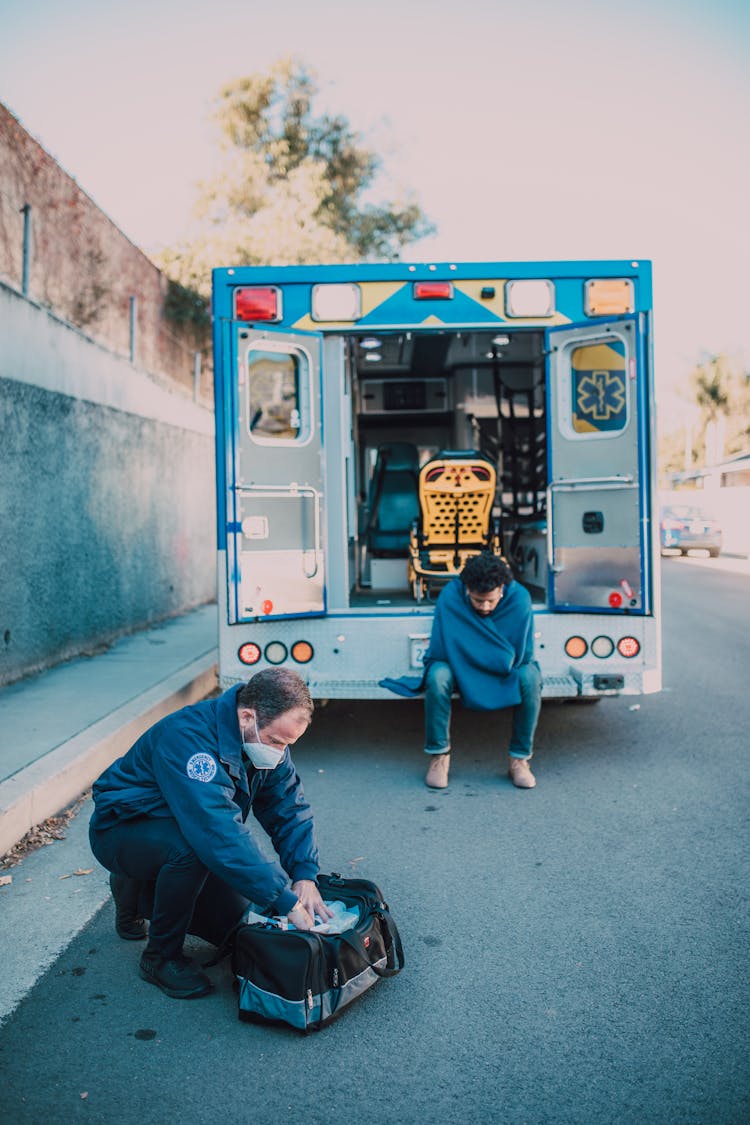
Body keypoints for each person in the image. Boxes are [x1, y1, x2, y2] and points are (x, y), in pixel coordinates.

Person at [89, 667, 332, 1000]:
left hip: (171, 825)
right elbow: (216, 833)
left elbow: (288, 809)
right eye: (277, 741)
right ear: (247, 716)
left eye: (288, 744)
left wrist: (304, 875)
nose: (279, 752)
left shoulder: (265, 739)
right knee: (192, 851)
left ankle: (132, 892)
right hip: (119, 831)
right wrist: (284, 900)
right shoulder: (188, 739)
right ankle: (160, 958)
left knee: (231, 922)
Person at [409, 552, 542, 790]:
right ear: (467, 589)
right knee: (438, 675)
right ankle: (439, 757)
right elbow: (443, 648)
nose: (485, 607)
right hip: (459, 663)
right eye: (478, 600)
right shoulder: (452, 595)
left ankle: (519, 759)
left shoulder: (519, 598)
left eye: (491, 600)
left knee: (530, 677)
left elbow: (522, 654)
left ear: (502, 588)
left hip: (505, 667)